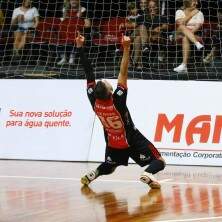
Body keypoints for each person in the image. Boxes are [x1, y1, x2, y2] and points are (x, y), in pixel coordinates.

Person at [76, 32, 165, 189]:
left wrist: (80, 48)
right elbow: (123, 72)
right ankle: (148, 174)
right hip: (130, 137)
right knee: (159, 161)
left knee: (110, 167)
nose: (107, 81)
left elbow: (88, 72)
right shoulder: (118, 101)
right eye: (107, 83)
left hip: (112, 140)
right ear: (110, 92)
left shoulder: (94, 101)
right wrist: (126, 48)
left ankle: (93, 174)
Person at [173, 0, 204, 73]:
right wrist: (191, 15)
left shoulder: (199, 13)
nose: (196, 3)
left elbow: (197, 26)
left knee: (185, 37)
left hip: (195, 34)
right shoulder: (179, 12)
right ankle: (197, 44)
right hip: (179, 34)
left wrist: (188, 34)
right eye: (194, 1)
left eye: (197, 1)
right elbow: (180, 23)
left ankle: (184, 65)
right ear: (187, 2)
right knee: (181, 27)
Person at [57, 0, 91, 65]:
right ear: (69, 1)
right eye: (72, 0)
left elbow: (87, 24)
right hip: (66, 31)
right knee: (59, 37)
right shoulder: (65, 10)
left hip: (77, 31)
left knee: (76, 37)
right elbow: (61, 21)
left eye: (75, 0)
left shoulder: (83, 10)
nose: (73, 1)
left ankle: (72, 57)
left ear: (78, 1)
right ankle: (63, 58)